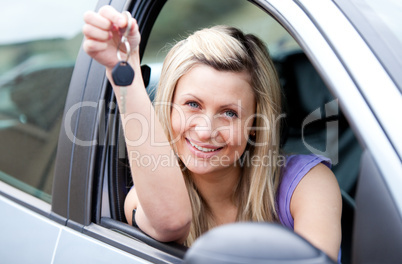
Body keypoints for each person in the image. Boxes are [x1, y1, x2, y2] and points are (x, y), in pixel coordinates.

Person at [83, 6, 342, 262]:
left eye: (229, 113)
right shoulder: (147, 197)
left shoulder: (307, 184)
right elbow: (170, 223)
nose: (206, 131)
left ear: (255, 124)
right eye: (192, 105)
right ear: (168, 108)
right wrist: (125, 77)